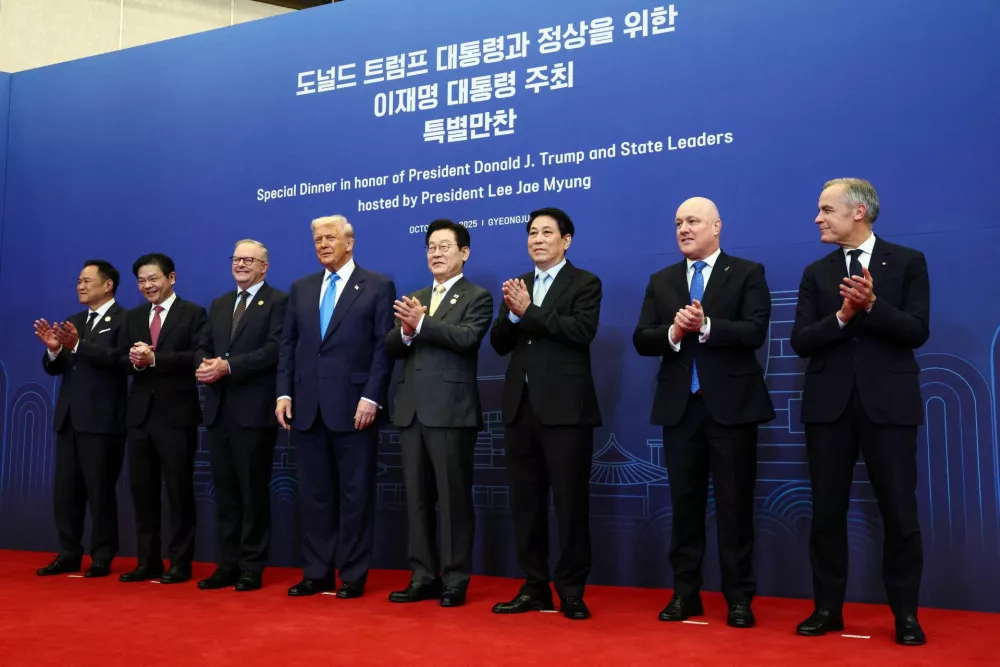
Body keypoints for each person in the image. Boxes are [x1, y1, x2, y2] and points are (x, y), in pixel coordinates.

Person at [791, 178, 929, 646]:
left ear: (858, 212)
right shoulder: (816, 272)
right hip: (829, 409)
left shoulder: (907, 262)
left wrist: (872, 305)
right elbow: (801, 341)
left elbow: (916, 331)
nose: (818, 218)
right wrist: (842, 317)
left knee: (900, 514)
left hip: (889, 406)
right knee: (827, 514)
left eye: (826, 209)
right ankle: (828, 608)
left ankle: (906, 615)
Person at [633, 197, 774, 628]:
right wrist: (674, 332)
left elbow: (755, 330)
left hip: (731, 409)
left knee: (734, 507)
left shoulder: (747, 273)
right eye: (678, 222)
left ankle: (738, 598)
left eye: (692, 221)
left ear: (717, 226)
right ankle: (685, 594)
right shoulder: (663, 280)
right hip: (681, 409)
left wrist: (707, 326)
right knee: (685, 506)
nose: (684, 229)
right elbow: (642, 338)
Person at [489, 207, 601, 620]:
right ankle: (534, 586)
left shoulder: (585, 282)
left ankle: (571, 590)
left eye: (546, 232)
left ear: (566, 240)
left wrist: (529, 311)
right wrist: (514, 313)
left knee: (570, 505)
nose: (537, 239)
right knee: (527, 504)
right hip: (521, 409)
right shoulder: (518, 285)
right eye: (531, 233)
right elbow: (500, 343)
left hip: (567, 411)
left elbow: (580, 332)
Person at [276, 215, 395, 599]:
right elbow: (288, 345)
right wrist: (283, 393)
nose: (323, 244)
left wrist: (372, 396)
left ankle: (354, 574)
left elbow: (384, 348)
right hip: (307, 407)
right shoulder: (301, 288)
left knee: (355, 494)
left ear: (350, 242)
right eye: (317, 239)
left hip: (355, 406)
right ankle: (317, 572)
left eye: (330, 238)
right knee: (314, 495)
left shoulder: (377, 286)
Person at [384, 219, 493, 608]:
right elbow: (391, 346)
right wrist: (408, 331)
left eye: (445, 246)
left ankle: (456, 578)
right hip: (411, 411)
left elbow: (467, 339)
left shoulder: (476, 296)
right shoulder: (414, 296)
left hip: (450, 412)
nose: (436, 252)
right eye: (431, 246)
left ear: (464, 253)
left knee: (453, 499)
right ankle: (423, 576)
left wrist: (422, 323)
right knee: (416, 500)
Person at [195, 240, 288, 592]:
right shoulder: (220, 304)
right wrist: (205, 365)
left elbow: (276, 349)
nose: (242, 265)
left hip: (254, 412)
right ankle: (226, 565)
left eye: (249, 260)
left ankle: (252, 566)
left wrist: (229, 366)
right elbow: (204, 346)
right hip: (219, 412)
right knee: (227, 494)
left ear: (265, 266)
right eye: (236, 259)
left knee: (252, 494)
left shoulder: (278, 301)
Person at [33, 260, 128, 578]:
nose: (80, 286)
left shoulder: (124, 320)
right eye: (78, 281)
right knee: (66, 493)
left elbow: (120, 361)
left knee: (100, 492)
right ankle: (69, 553)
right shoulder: (73, 321)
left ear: (108, 285)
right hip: (69, 420)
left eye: (87, 281)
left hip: (103, 421)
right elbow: (55, 368)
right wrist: (55, 351)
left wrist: (78, 345)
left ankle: (102, 555)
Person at [119, 253, 207, 584]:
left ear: (171, 278)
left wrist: (155, 358)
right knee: (143, 492)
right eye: (141, 281)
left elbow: (198, 357)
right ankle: (147, 562)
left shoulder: (193, 313)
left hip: (176, 415)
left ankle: (180, 563)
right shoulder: (134, 317)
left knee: (179, 493)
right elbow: (121, 360)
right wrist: (136, 361)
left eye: (153, 279)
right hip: (139, 417)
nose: (147, 286)